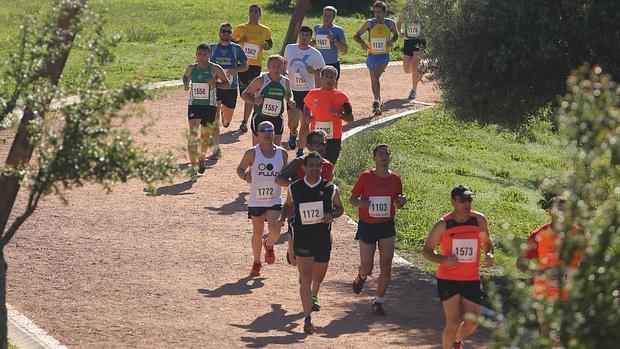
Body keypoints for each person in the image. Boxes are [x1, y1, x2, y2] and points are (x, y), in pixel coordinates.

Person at [280, 151, 345, 334]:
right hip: (303, 237)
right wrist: (282, 217)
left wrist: (332, 215)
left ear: (322, 168)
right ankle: (307, 318)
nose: (315, 169)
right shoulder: (295, 188)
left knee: (319, 275)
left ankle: (314, 295)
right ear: (304, 168)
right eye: (311, 166)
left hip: (322, 238)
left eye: (318, 166)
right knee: (306, 277)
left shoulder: (331, 188)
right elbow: (288, 206)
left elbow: (341, 208)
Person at [422, 185, 494, 349]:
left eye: (470, 199)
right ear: (453, 202)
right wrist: (444, 259)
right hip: (448, 279)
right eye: (463, 200)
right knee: (453, 323)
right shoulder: (443, 224)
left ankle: (457, 339)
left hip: (471, 278)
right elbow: (426, 251)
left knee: (472, 323)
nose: (467, 203)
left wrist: (489, 254)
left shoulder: (479, 220)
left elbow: (488, 242)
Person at [275, 130, 333, 312]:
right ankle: (303, 277)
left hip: (321, 221)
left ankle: (313, 296)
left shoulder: (328, 166)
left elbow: (329, 189)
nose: (319, 147)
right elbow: (279, 178)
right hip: (297, 220)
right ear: (308, 146)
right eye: (315, 143)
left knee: (321, 258)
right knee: (298, 265)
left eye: (322, 144)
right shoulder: (299, 163)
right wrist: (299, 188)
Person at [349, 144, 406, 316]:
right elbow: (352, 199)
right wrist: (360, 203)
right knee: (367, 267)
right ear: (374, 157)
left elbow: (397, 201)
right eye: (380, 153)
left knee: (386, 263)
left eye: (387, 153)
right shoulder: (366, 177)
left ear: (390, 157)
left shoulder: (395, 179)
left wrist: (401, 202)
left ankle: (378, 302)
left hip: (386, 225)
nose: (384, 156)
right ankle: (361, 277)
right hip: (367, 225)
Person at [517, 195, 582, 337]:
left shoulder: (578, 234)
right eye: (558, 209)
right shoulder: (538, 235)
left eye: (565, 210)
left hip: (570, 295)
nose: (562, 213)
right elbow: (521, 263)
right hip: (545, 295)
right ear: (549, 212)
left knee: (569, 334)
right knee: (547, 334)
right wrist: (540, 273)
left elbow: (587, 260)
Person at [236, 121, 289, 277]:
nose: (268, 133)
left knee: (276, 230)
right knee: (257, 233)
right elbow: (239, 169)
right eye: (264, 130)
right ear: (258, 133)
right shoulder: (251, 153)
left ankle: (269, 244)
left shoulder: (282, 153)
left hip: (274, 199)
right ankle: (257, 262)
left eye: (271, 130)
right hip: (256, 200)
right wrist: (245, 176)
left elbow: (287, 173)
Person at [183, 43, 230, 178]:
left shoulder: (215, 69)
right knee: (193, 134)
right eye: (199, 54)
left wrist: (216, 84)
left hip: (209, 106)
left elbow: (227, 85)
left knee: (204, 137)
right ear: (196, 55)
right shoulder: (191, 68)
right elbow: (185, 76)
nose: (202, 57)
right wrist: (186, 84)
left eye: (205, 54)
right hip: (194, 106)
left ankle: (202, 159)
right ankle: (192, 167)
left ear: (210, 55)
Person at [298, 66, 353, 163]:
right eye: (326, 76)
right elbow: (306, 106)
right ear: (321, 77)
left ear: (335, 79)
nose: (329, 79)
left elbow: (350, 118)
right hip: (316, 139)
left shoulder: (342, 97)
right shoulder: (312, 94)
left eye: (331, 76)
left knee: (330, 166)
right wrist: (307, 115)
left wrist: (339, 114)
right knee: (316, 163)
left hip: (334, 138)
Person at [232, 4, 273, 134]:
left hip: (256, 65)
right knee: (243, 93)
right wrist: (241, 40)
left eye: (256, 11)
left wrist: (267, 46)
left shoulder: (264, 30)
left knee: (250, 93)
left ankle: (244, 121)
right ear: (249, 13)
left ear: (260, 14)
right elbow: (230, 44)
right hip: (242, 64)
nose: (254, 13)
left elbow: (269, 43)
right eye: (252, 11)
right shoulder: (240, 28)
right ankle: (227, 113)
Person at [353, 1, 399, 116]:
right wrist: (363, 43)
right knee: (373, 80)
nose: (377, 14)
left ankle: (376, 102)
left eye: (379, 12)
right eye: (375, 12)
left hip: (384, 56)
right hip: (372, 55)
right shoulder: (370, 23)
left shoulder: (390, 23)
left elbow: (396, 35)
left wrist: (392, 41)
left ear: (384, 12)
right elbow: (356, 35)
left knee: (375, 77)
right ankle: (377, 100)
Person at [283, 26, 325, 151]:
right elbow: (284, 63)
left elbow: (324, 71)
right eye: (302, 35)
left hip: (308, 92)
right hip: (292, 90)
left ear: (310, 37)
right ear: (299, 35)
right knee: (293, 121)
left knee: (305, 122)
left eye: (307, 35)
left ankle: (300, 150)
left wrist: (314, 71)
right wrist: (284, 73)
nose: (304, 37)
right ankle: (293, 133)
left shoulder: (315, 53)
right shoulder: (290, 48)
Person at [242, 55, 295, 147]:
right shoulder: (260, 80)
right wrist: (254, 100)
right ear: (268, 67)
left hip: (277, 118)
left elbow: (288, 93)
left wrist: (290, 100)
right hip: (260, 117)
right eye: (273, 66)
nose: (276, 69)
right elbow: (245, 94)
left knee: (276, 147)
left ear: (283, 67)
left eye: (279, 66)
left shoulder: (286, 82)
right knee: (257, 147)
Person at [210, 22, 249, 134]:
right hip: (215, 86)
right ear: (219, 33)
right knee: (214, 115)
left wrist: (236, 69)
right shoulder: (211, 48)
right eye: (223, 31)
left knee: (227, 121)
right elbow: (202, 62)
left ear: (231, 34)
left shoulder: (236, 48)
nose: (226, 33)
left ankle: (224, 113)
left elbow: (246, 65)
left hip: (230, 87)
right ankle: (214, 138)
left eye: (228, 31)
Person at [397, 1, 426, 100]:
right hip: (409, 41)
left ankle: (413, 90)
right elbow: (399, 22)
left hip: (420, 40)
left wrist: (424, 30)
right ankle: (419, 71)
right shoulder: (406, 9)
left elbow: (430, 23)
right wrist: (400, 31)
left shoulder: (424, 9)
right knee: (406, 69)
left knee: (415, 66)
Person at [313, 6, 348, 88]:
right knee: (318, 90)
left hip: (332, 63)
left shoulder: (338, 30)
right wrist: (312, 42)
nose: (326, 18)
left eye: (329, 16)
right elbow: (317, 42)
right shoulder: (317, 28)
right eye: (325, 15)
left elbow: (344, 50)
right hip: (319, 63)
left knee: (332, 90)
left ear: (333, 17)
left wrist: (334, 40)